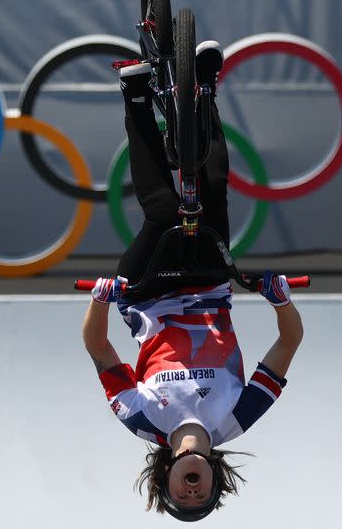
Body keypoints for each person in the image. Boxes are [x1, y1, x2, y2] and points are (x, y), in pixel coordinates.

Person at [82, 41, 304, 522]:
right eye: (199, 498)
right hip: (207, 284)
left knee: (162, 210)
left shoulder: (142, 420)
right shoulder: (236, 420)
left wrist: (102, 299)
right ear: (212, 481)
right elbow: (290, 342)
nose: (190, 492)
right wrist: (279, 301)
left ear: (164, 478)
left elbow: (99, 348)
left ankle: (135, 92)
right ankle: (204, 86)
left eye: (180, 497)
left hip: (146, 292)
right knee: (215, 190)